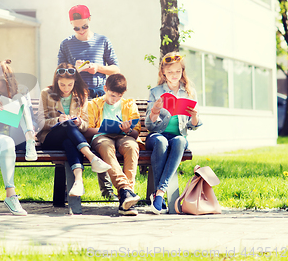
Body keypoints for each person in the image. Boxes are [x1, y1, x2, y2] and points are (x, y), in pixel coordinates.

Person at [57, 4, 120, 200]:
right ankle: (86, 183)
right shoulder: (66, 44)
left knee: (100, 136)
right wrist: (73, 70)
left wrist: (97, 68)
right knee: (79, 134)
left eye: (83, 26)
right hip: (77, 97)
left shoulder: (102, 40)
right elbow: (59, 72)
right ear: (71, 25)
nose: (81, 31)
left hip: (100, 96)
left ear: (89, 19)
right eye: (76, 28)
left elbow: (116, 69)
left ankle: (107, 187)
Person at [37, 63, 112, 197]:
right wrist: (58, 120)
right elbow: (41, 123)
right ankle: (91, 157)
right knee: (67, 125)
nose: (66, 89)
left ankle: (78, 182)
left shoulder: (81, 94)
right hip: (50, 138)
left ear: (75, 82)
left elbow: (85, 124)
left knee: (69, 141)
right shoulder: (46, 93)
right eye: (62, 85)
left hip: (71, 138)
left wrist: (79, 122)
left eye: (70, 85)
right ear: (56, 81)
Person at [145, 52, 202, 215]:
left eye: (177, 71)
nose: (174, 75)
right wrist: (155, 111)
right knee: (162, 142)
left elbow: (194, 126)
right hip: (157, 135)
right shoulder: (155, 92)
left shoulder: (189, 92)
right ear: (163, 73)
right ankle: (160, 194)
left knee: (180, 141)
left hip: (178, 136)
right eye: (170, 72)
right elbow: (149, 125)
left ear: (182, 72)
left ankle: (159, 194)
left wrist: (195, 116)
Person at [0, 59, 37, 216]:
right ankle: (11, 196)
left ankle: (30, 138)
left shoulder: (21, 89)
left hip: (19, 135)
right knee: (8, 142)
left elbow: (30, 118)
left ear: (5, 82)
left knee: (20, 97)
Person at [87, 73, 142, 216]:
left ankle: (126, 198)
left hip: (124, 136)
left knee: (132, 146)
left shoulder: (129, 104)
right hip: (102, 137)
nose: (115, 99)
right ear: (105, 88)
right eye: (112, 95)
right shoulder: (93, 105)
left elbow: (136, 133)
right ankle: (126, 192)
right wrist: (103, 128)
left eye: (119, 96)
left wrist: (128, 129)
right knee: (106, 147)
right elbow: (86, 130)